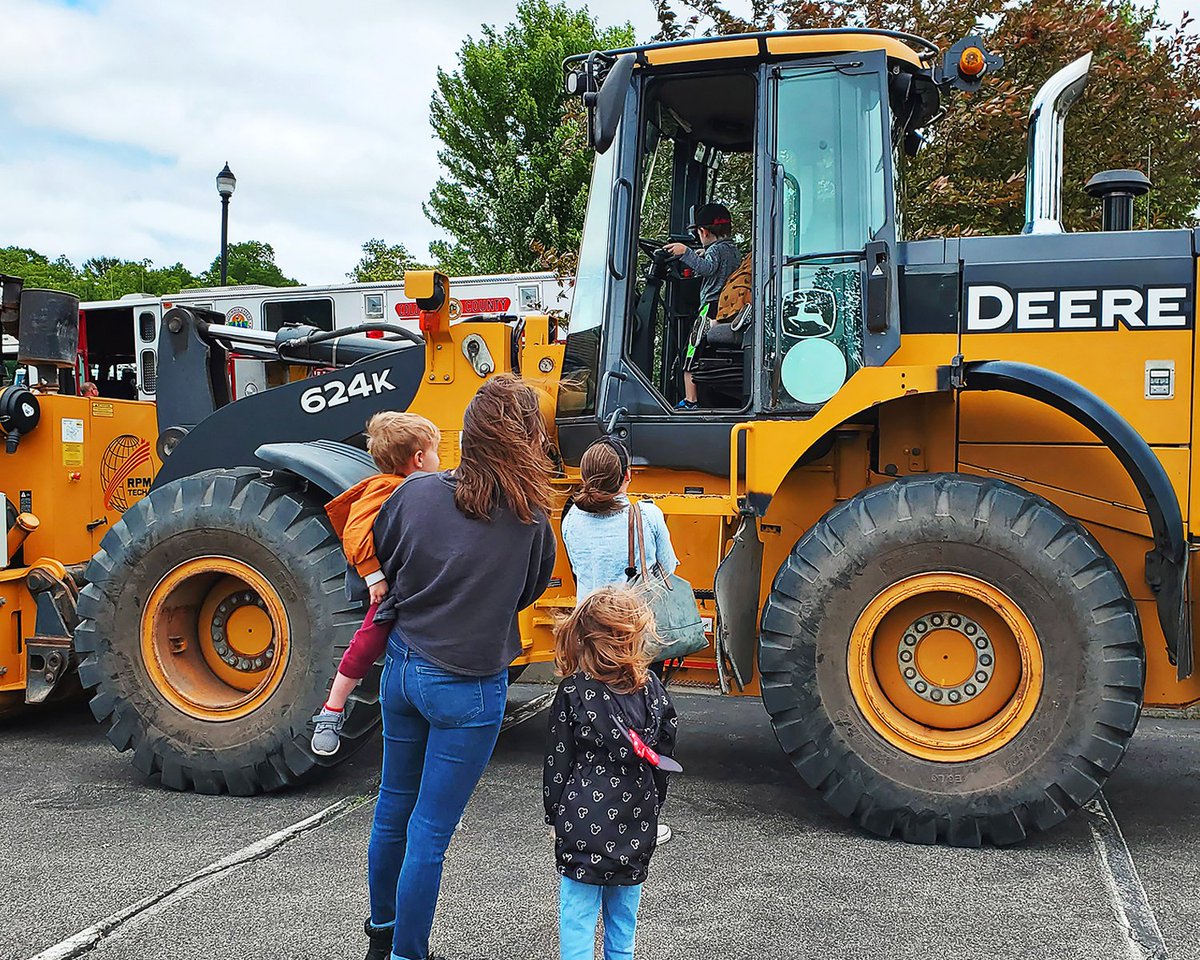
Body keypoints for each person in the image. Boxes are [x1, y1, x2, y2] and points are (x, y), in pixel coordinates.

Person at [363, 375, 558, 960]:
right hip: (470, 683)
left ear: (469, 433)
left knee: (394, 803)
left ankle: (381, 938)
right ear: (526, 437)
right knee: (431, 830)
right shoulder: (529, 517)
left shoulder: (411, 494)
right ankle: (407, 955)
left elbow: (388, 560)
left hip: (402, 667)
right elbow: (527, 592)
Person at [544, 587, 679, 960]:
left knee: (578, 914)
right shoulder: (653, 690)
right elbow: (663, 754)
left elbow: (558, 759)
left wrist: (553, 813)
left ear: (583, 639)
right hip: (636, 812)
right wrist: (655, 801)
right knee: (623, 917)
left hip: (582, 813)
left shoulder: (573, 690)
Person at [560, 436, 679, 847]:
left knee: (591, 735)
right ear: (628, 476)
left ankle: (586, 812)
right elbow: (669, 566)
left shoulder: (571, 517)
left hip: (588, 635)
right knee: (642, 738)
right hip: (632, 639)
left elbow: (578, 567)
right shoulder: (646, 515)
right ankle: (641, 820)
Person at [310, 411, 441, 757]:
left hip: (419, 587)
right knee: (366, 643)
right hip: (390, 589)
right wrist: (373, 575)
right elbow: (354, 532)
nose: (438, 460)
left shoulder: (427, 489)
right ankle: (332, 711)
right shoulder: (384, 490)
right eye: (435, 452)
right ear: (418, 459)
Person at [662, 202, 742, 410]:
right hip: (727, 307)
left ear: (703, 231)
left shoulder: (715, 250)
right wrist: (700, 253)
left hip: (710, 308)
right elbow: (718, 265)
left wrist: (685, 252)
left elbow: (707, 269)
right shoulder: (732, 250)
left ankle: (691, 401)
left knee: (691, 352)